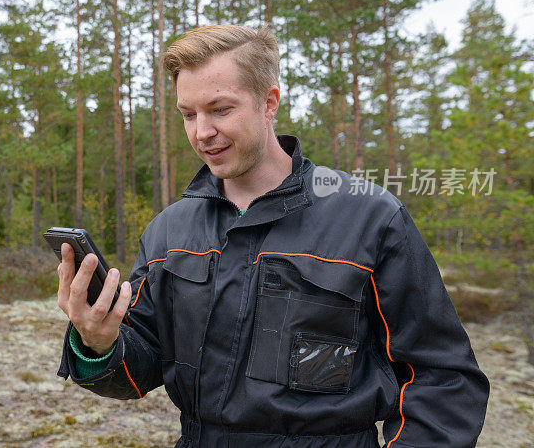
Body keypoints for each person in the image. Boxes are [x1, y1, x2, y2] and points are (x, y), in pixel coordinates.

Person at [56, 25, 489, 447]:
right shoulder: (170, 231)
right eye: (188, 114)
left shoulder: (370, 219)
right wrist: (100, 340)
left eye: (220, 110)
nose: (201, 131)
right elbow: (142, 367)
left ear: (269, 103)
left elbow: (441, 378)